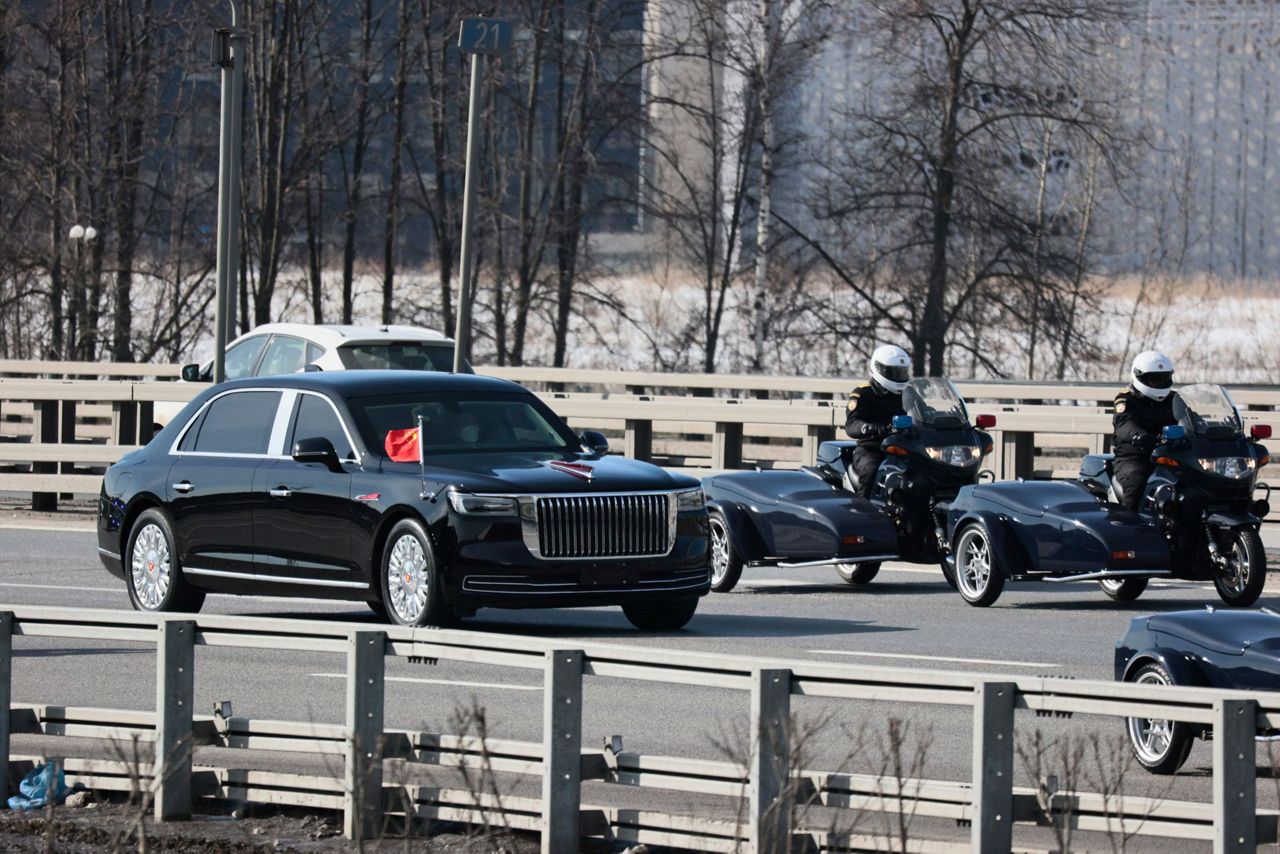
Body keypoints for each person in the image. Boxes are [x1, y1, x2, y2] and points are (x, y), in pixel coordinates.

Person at [1112, 350, 1179, 512]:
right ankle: (1127, 525)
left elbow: (1192, 419)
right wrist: (1138, 435)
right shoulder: (1127, 399)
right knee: (1136, 478)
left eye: (1164, 378)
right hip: (1136, 457)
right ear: (1139, 377)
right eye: (1154, 379)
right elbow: (1124, 423)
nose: (1160, 383)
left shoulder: (1175, 399)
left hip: (1170, 456)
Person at [844, 344, 911, 497]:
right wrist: (870, 428)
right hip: (873, 449)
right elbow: (851, 424)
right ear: (880, 369)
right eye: (894, 372)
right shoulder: (863, 393)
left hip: (905, 448)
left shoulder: (909, 393)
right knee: (871, 470)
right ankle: (863, 513)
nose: (899, 376)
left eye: (902, 372)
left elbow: (923, 412)